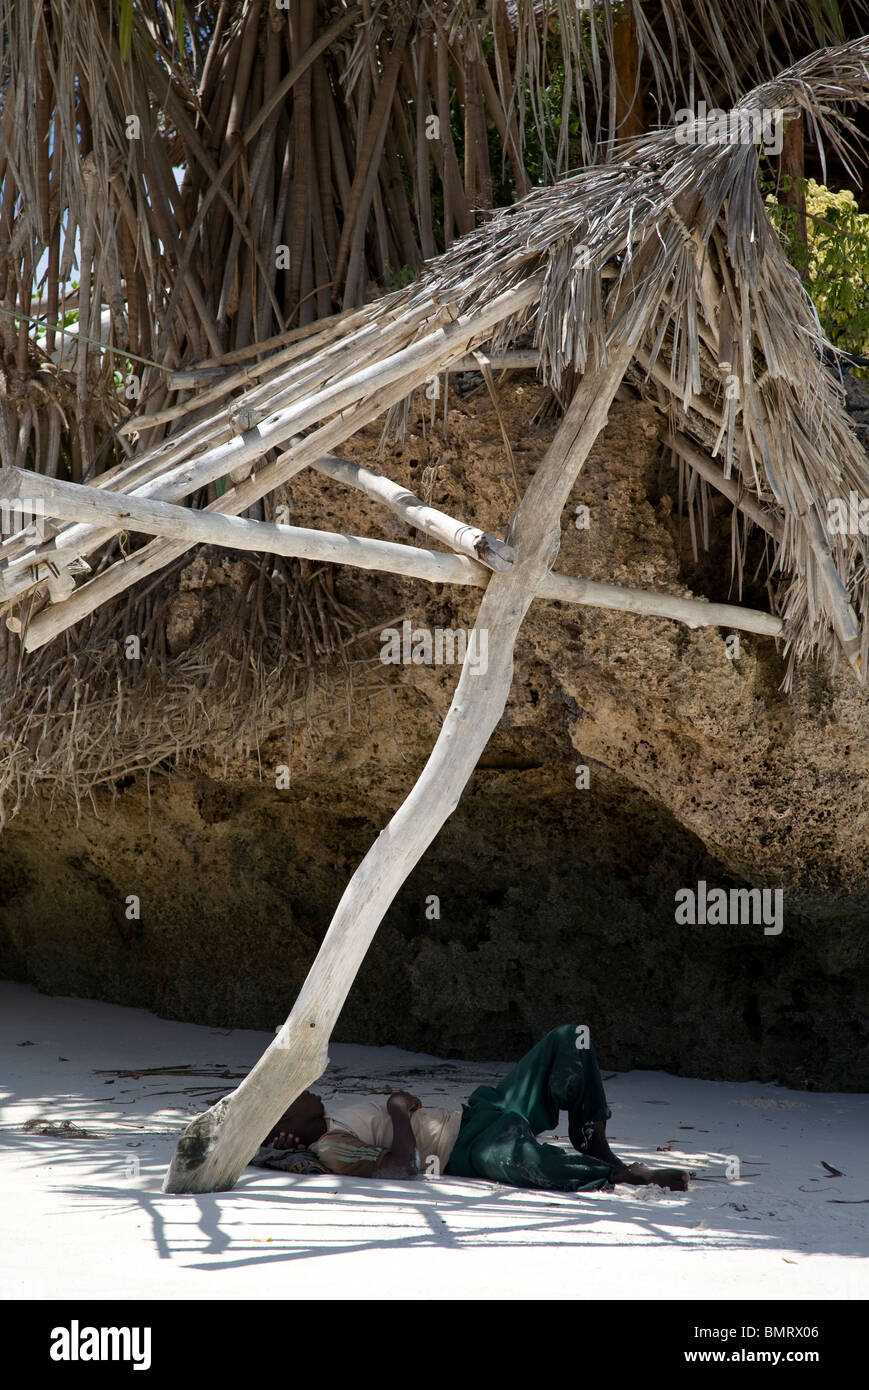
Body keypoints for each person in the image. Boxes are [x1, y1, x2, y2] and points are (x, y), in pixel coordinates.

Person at [254, 1024, 690, 1192]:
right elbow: (403, 1167)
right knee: (521, 1161)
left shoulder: (329, 1120)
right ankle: (617, 1174)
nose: (304, 1089)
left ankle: (597, 1146)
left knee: (571, 1037)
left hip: (482, 1112)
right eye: (293, 1096)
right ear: (288, 1119)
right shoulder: (332, 1147)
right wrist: (397, 1112)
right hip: (467, 1148)